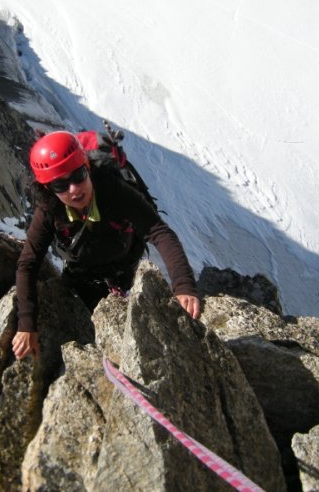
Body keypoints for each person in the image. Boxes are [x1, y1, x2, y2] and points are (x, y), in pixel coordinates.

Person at [12, 130, 201, 360]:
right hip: (80, 275)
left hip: (120, 272)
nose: (74, 189)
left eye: (78, 175)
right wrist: (26, 324)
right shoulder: (49, 210)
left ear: (87, 168)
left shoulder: (112, 190)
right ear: (48, 189)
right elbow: (28, 264)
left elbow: (158, 231)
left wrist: (183, 286)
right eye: (60, 184)